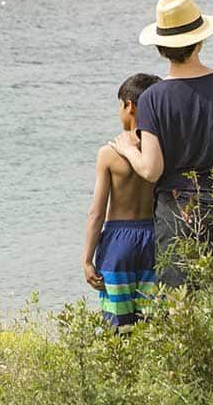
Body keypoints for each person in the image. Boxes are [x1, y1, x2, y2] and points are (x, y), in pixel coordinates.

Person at [114, 0, 213, 287]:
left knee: (181, 308)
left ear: (160, 49)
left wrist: (127, 149)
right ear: (200, 40)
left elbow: (152, 170)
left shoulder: (154, 97)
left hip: (178, 215)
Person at [83, 72, 162, 329]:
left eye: (120, 105)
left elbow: (96, 213)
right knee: (152, 322)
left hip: (118, 242)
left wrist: (87, 260)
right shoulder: (161, 151)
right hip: (154, 237)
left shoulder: (109, 154)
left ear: (129, 106)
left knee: (117, 325)